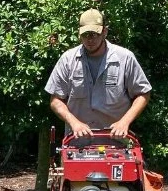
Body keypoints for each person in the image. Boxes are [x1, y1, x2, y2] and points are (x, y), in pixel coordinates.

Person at [45, 8, 152, 139]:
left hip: (115, 141)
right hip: (77, 141)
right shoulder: (68, 59)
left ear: (104, 32)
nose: (90, 39)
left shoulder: (125, 58)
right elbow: (55, 100)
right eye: (85, 35)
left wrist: (124, 122)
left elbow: (143, 93)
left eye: (94, 34)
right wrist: (74, 123)